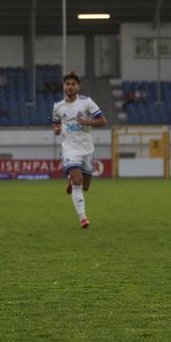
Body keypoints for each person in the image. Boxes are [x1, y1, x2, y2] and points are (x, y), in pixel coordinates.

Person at [52, 71, 106, 229]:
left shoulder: (87, 102)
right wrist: (56, 129)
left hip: (87, 149)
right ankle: (83, 218)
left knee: (86, 186)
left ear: (78, 86)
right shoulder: (57, 106)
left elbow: (102, 121)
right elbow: (55, 122)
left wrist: (85, 121)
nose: (70, 87)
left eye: (73, 84)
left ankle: (72, 180)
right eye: (67, 84)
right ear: (63, 86)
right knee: (78, 182)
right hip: (69, 149)